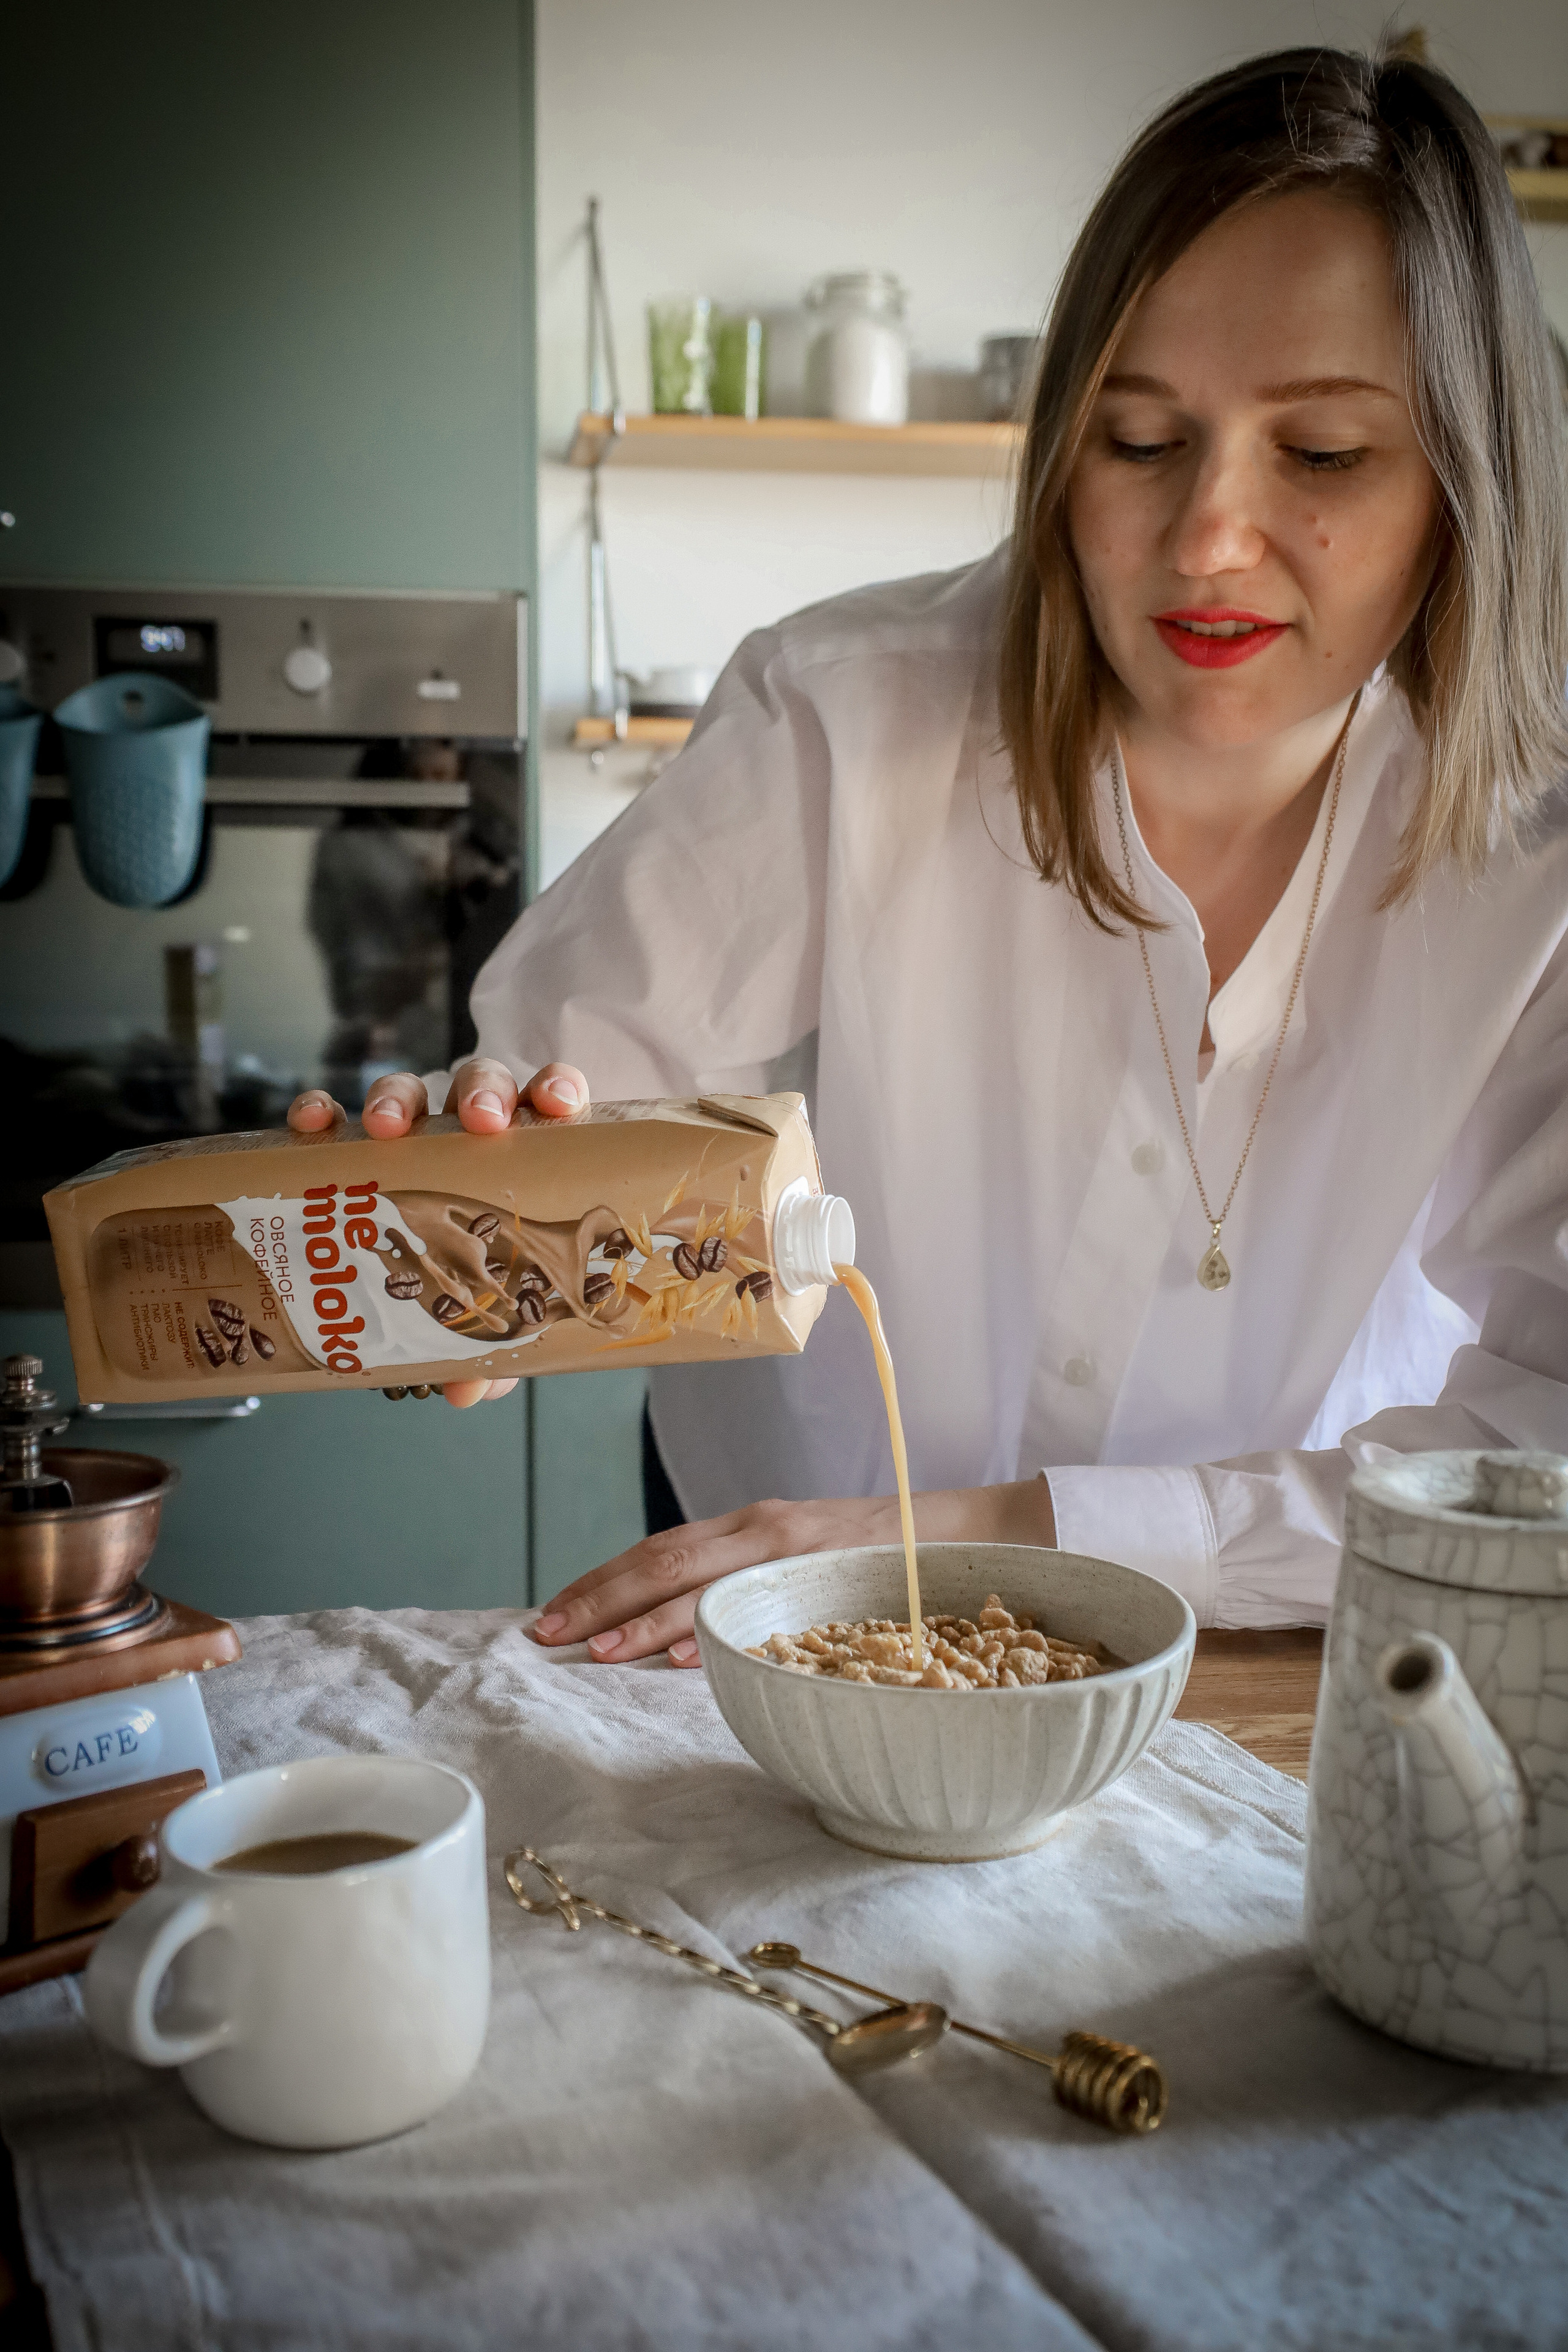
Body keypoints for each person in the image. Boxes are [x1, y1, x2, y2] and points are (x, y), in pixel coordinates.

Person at [290, 45, 1568, 1672]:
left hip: (1281, 1636)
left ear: (1469, 487)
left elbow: (1546, 1447)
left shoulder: (1542, 854)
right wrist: (452, 1267)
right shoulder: (846, 717)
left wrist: (996, 1535)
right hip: (787, 1615)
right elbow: (566, 1112)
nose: (1207, 541)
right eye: (1137, 440)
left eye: (1320, 456)